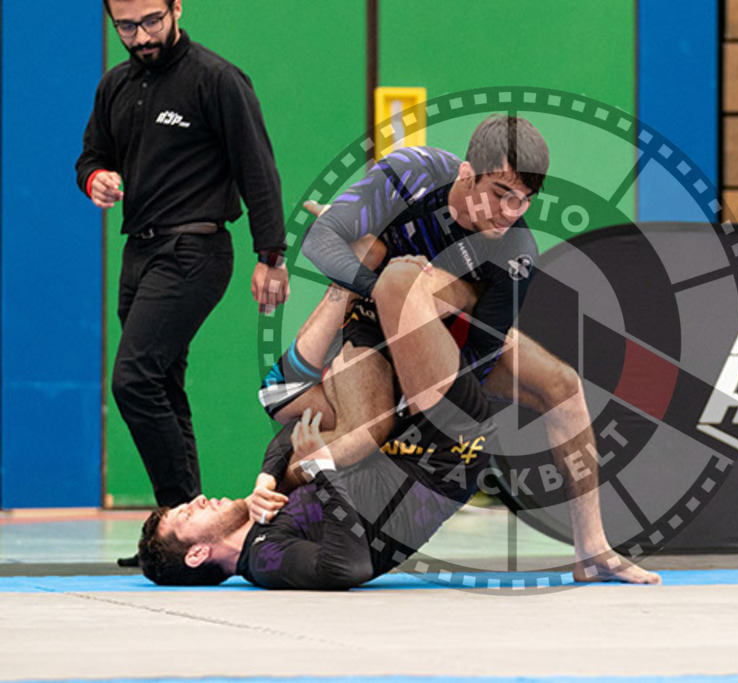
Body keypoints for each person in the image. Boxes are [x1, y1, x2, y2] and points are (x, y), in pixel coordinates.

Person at [254, 116, 659, 583]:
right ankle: (272, 490)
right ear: (467, 174)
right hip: (371, 327)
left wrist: (444, 298)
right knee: (391, 285)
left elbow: (477, 365)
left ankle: (592, 549)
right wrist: (380, 288)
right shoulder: (411, 175)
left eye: (524, 199)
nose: (511, 211)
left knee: (563, 385)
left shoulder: (516, 252)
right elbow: (321, 240)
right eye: (502, 192)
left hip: (447, 338)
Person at [75, 0, 290, 562]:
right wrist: (95, 178)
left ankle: (175, 518)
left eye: (151, 20)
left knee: (134, 379)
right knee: (162, 383)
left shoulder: (215, 79)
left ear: (176, 9)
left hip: (195, 247)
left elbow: (257, 167)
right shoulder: (115, 85)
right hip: (140, 251)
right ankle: (188, 528)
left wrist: (271, 253)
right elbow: (91, 154)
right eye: (125, 26)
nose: (141, 35)